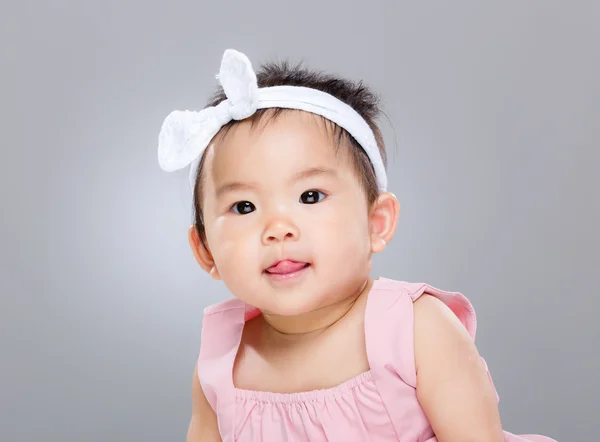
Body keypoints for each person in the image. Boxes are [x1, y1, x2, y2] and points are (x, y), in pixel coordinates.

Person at [157, 49, 556, 442]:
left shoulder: (417, 329)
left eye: (310, 196)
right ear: (206, 249)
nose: (278, 228)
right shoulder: (222, 358)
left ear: (375, 223)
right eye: (244, 206)